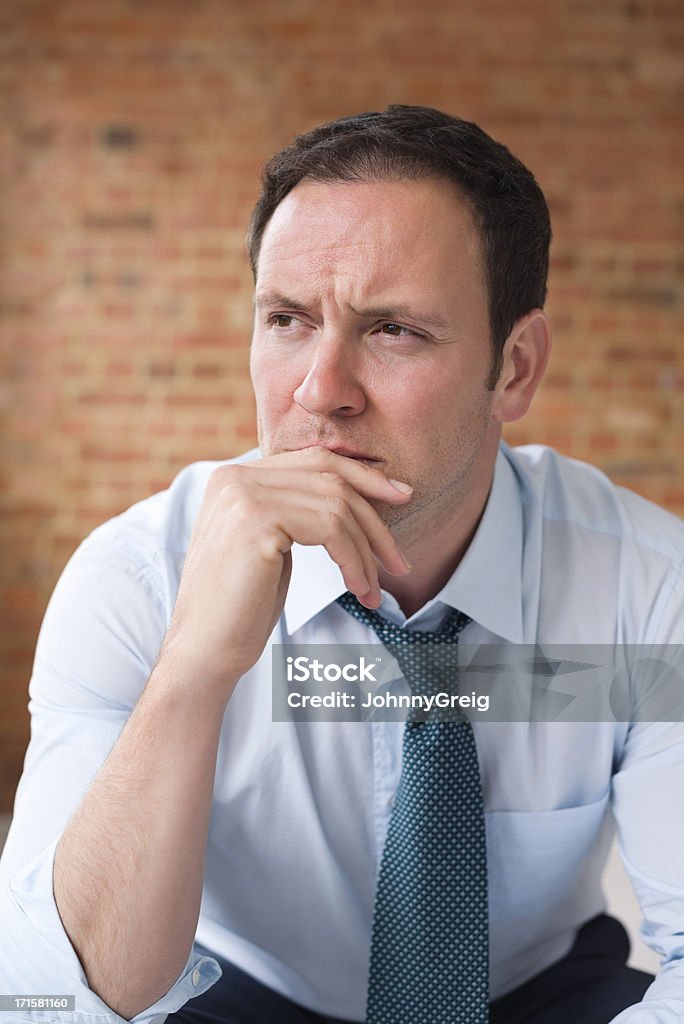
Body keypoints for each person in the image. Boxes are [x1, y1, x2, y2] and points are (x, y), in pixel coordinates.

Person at [0, 104, 683, 1024]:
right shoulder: (135, 579)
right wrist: (195, 666)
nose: (320, 392)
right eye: (287, 319)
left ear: (514, 367)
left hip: (534, 993)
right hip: (229, 993)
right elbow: (50, 999)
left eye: (393, 330)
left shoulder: (649, 586)